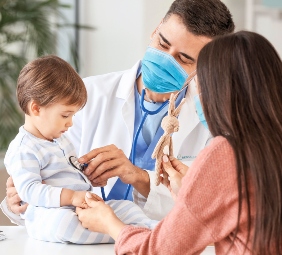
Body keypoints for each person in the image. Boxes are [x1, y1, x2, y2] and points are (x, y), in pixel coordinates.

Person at [2, 0, 235, 223]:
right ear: (155, 31)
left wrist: (137, 176)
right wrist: (17, 203)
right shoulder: (90, 95)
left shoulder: (214, 120)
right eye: (163, 44)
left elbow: (210, 208)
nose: (166, 59)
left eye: (183, 58)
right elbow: (46, 180)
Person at [76, 31, 282, 254]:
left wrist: (109, 223)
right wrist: (189, 194)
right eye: (164, 45)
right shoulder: (270, 145)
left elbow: (160, 250)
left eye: (201, 87)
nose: (199, 97)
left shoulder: (225, 152)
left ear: (220, 92)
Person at [3, 55, 158, 244]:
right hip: (52, 212)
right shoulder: (23, 149)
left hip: (80, 206)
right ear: (36, 108)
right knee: (63, 224)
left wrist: (89, 174)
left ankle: (153, 231)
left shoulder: (61, 139)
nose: (70, 123)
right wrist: (72, 196)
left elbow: (71, 171)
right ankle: (127, 235)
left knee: (127, 207)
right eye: (65, 115)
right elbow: (29, 191)